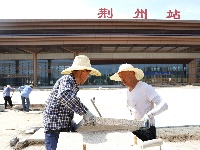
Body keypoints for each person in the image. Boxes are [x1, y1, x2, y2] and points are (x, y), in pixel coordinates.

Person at [43, 55, 101, 150]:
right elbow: (64, 95)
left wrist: (70, 121)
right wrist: (85, 112)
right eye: (88, 73)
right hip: (54, 129)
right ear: (83, 72)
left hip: (61, 126)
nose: (87, 77)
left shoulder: (72, 84)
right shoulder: (67, 79)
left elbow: (66, 103)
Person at [110, 63, 168, 141]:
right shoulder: (128, 91)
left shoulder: (145, 87)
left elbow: (164, 104)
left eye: (123, 76)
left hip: (147, 129)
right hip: (134, 127)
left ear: (132, 73)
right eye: (120, 77)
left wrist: (148, 115)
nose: (122, 79)